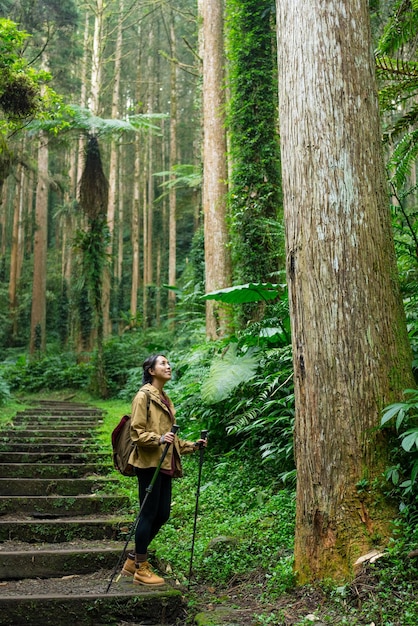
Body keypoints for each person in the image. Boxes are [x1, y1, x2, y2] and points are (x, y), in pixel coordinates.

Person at [120, 353, 208, 586]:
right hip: (149, 464)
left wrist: (192, 446)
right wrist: (158, 439)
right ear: (151, 370)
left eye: (169, 363)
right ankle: (141, 568)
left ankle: (132, 561)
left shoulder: (164, 397)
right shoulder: (143, 396)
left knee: (163, 514)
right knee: (148, 514)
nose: (168, 366)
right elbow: (137, 433)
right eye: (163, 363)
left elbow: (172, 438)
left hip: (165, 463)